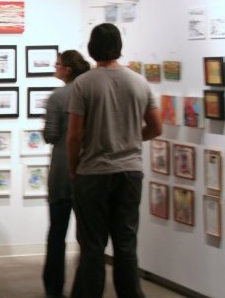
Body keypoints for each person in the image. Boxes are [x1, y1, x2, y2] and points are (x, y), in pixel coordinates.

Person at [67, 23, 162, 298]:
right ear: (119, 46)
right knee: (126, 243)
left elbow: (74, 135)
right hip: (130, 172)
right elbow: (156, 127)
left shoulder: (84, 83)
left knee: (92, 245)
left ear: (92, 47)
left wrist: (73, 168)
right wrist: (129, 138)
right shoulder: (139, 82)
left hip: (93, 172)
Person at [41, 50, 90, 298]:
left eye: (58, 64)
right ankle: (85, 288)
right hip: (88, 170)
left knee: (57, 234)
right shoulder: (91, 93)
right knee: (89, 238)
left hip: (62, 171)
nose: (55, 67)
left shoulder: (58, 97)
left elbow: (50, 135)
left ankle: (54, 288)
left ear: (68, 69)